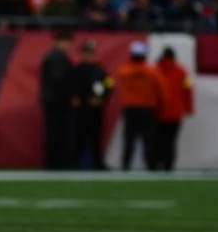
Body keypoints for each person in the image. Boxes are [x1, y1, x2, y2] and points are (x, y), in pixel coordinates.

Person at [114, 41, 166, 170]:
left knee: (129, 141)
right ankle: (151, 166)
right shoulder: (153, 72)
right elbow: (162, 91)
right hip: (148, 110)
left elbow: (120, 75)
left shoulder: (124, 70)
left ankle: (125, 166)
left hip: (131, 110)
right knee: (149, 141)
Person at [40, 30, 78, 169]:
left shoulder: (57, 57)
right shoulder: (56, 58)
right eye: (67, 42)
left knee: (58, 133)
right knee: (57, 134)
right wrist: (71, 96)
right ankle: (57, 163)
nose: (69, 46)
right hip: (57, 102)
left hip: (55, 101)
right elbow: (60, 80)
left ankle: (58, 162)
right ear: (58, 43)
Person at [72, 40, 113, 170]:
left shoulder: (100, 71)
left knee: (96, 137)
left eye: (92, 53)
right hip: (81, 110)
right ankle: (76, 163)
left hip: (95, 110)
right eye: (87, 53)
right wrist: (76, 98)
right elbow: (72, 88)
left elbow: (110, 85)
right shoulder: (77, 70)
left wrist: (102, 99)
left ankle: (97, 163)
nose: (90, 56)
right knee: (78, 137)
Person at [153, 47, 193, 171]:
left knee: (157, 140)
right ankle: (168, 166)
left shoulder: (155, 70)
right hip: (176, 112)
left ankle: (156, 164)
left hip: (158, 112)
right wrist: (189, 108)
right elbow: (188, 90)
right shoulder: (182, 71)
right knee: (171, 141)